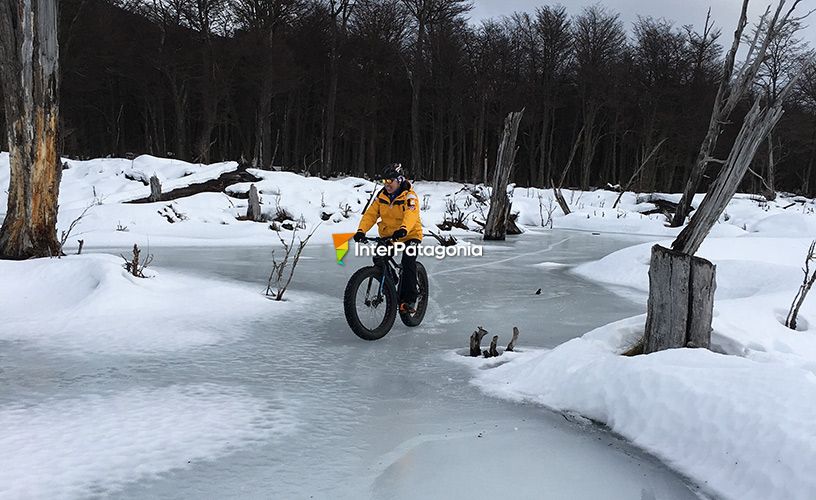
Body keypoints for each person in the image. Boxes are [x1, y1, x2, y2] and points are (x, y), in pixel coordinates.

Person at [354, 163, 423, 314]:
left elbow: (411, 214)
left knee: (408, 261)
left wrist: (404, 229)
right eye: (384, 182)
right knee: (379, 258)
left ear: (399, 180)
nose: (386, 185)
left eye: (389, 181)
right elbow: (371, 214)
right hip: (390, 236)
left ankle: (410, 299)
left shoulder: (410, 196)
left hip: (409, 234)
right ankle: (392, 284)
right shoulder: (381, 196)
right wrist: (361, 231)